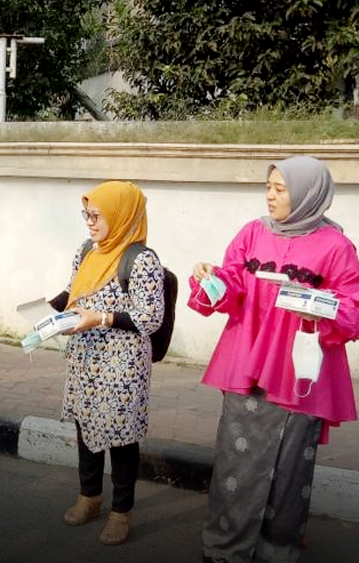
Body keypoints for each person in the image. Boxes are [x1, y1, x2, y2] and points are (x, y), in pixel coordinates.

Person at [189, 156, 359, 563]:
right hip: (246, 362)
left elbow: (353, 308)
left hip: (300, 370)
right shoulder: (252, 234)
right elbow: (231, 282)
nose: (270, 196)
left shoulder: (337, 247)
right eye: (269, 186)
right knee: (235, 462)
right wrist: (210, 279)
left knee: (289, 471)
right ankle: (224, 548)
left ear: (306, 194)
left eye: (280, 189)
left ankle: (276, 550)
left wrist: (319, 309)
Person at [47, 180, 164, 546]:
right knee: (86, 427)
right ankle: (90, 497)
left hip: (122, 365)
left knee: (121, 438)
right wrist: (49, 312)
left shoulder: (141, 260)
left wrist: (100, 318)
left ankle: (121, 511)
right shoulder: (87, 250)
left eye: (97, 215)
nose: (90, 222)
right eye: (87, 214)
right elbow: (74, 291)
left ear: (120, 214)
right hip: (86, 359)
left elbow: (150, 317)